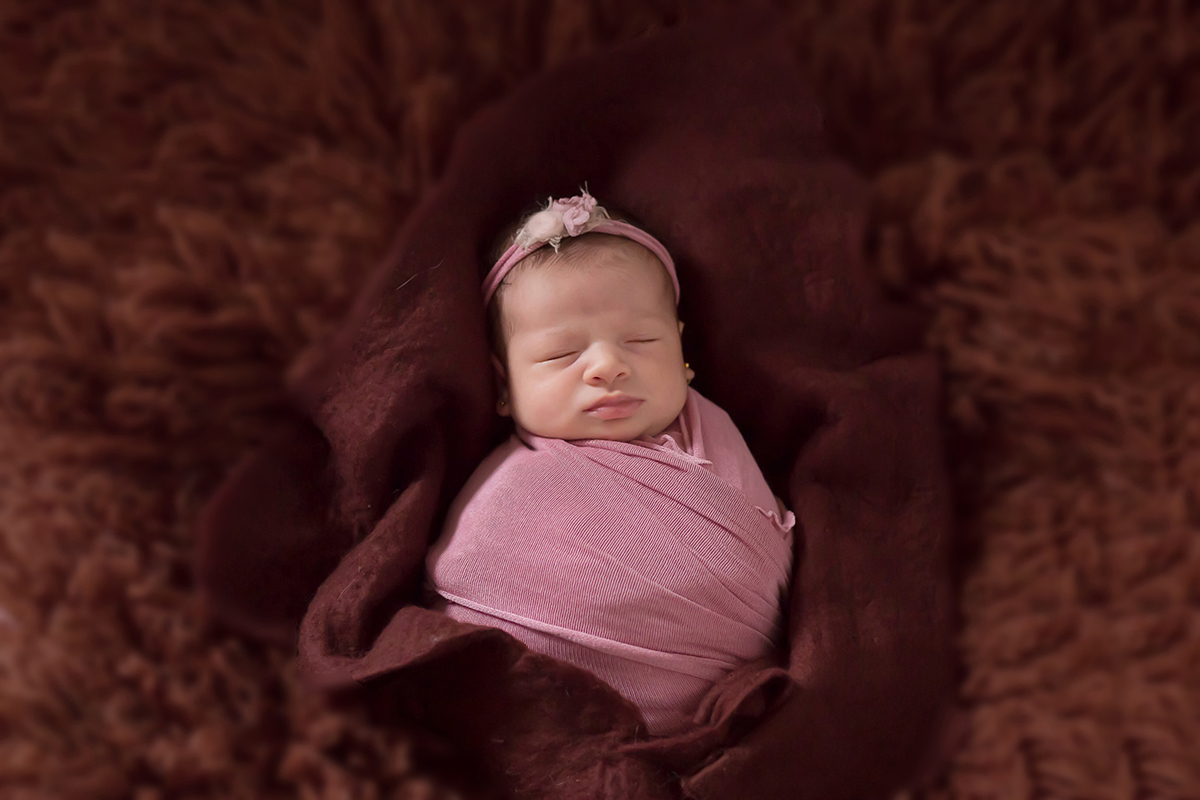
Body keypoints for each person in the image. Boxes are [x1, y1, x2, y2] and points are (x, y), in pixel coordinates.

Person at [425, 192, 795, 735]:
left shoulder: (711, 429)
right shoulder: (504, 492)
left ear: (682, 354)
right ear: (504, 384)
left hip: (746, 703)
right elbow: (467, 584)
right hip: (556, 724)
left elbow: (766, 548)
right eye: (561, 354)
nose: (607, 365)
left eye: (642, 340)